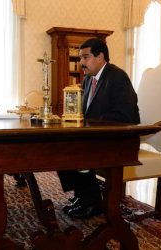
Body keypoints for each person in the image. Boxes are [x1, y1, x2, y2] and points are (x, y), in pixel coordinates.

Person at [57, 38, 140, 218]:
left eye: (85, 57)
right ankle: (83, 195)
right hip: (96, 137)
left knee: (75, 150)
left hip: (119, 140)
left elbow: (126, 117)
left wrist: (88, 124)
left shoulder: (118, 77)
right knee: (60, 145)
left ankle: (93, 202)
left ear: (100, 56)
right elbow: (85, 113)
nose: (81, 63)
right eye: (80, 58)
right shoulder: (88, 80)